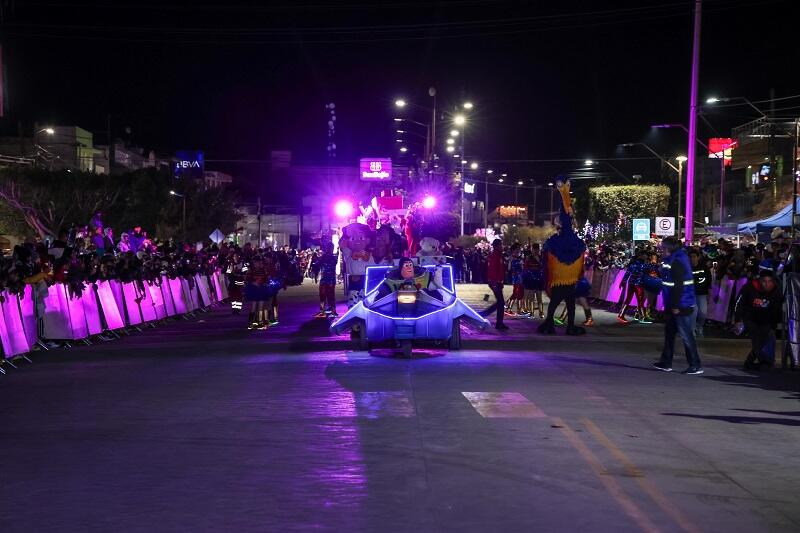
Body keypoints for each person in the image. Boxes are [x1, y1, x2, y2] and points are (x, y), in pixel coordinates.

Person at [538, 179, 586, 335]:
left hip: (562, 280)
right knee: (568, 304)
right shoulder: (573, 242)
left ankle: (552, 324)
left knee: (558, 303)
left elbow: (546, 258)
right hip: (567, 280)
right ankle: (566, 325)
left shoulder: (556, 242)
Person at [653, 237, 703, 375]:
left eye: (662, 248)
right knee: (669, 333)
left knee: (686, 335)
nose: (660, 250)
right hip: (675, 302)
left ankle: (695, 364)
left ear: (667, 249)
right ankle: (666, 362)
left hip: (681, 304)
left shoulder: (677, 261)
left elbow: (678, 286)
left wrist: (675, 305)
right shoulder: (674, 259)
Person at [734, 269, 783, 370]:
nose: (767, 284)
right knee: (757, 335)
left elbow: (777, 308)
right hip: (750, 318)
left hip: (766, 319)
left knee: (768, 334)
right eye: (764, 281)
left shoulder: (776, 291)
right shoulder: (749, 288)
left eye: (770, 281)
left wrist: (774, 322)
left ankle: (757, 360)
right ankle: (764, 361)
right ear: (760, 281)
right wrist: (738, 320)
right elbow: (738, 304)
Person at [481, 238, 509, 331]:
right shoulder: (494, 256)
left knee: (500, 302)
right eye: (501, 245)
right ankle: (497, 322)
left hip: (497, 282)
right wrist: (495, 282)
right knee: (501, 302)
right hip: (495, 282)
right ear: (497, 246)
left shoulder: (499, 255)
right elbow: (493, 270)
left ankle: (498, 322)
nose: (502, 246)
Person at [617, 249, 647, 324]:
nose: (646, 256)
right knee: (640, 301)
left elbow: (627, 273)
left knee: (628, 299)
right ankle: (642, 317)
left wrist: (623, 282)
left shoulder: (633, 263)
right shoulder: (643, 264)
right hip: (638, 284)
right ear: (641, 255)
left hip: (631, 283)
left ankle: (621, 315)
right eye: (645, 255)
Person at [689, 248, 712, 337]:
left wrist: (709, 291)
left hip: (702, 293)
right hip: (691, 294)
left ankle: (700, 326)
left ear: (698, 257)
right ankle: (692, 329)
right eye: (690, 257)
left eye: (694, 257)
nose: (692, 259)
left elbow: (709, 279)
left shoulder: (704, 267)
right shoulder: (687, 268)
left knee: (703, 312)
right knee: (694, 312)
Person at [315, 242, 339, 318]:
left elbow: (318, 265)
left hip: (325, 279)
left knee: (323, 295)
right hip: (331, 279)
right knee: (331, 295)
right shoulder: (334, 257)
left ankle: (322, 311)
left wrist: (316, 274)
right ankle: (333, 310)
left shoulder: (324, 257)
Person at [523, 244, 545, 319]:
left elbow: (544, 267)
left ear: (539, 250)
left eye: (537, 249)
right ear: (532, 250)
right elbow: (525, 268)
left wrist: (539, 261)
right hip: (531, 280)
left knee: (539, 297)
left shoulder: (541, 258)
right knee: (531, 297)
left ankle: (541, 312)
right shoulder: (528, 258)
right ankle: (531, 313)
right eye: (534, 249)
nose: (535, 251)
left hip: (539, 280)